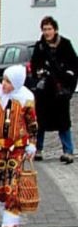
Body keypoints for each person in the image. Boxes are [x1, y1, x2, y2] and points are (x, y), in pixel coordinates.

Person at [0, 65, 38, 227]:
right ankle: (5, 205)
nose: (3, 84)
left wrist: (31, 143)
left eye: (8, 82)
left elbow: (32, 124)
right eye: (4, 80)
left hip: (17, 147)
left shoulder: (25, 99)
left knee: (12, 181)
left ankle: (11, 218)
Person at [31, 16, 78, 164]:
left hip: (60, 91)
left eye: (49, 29)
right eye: (44, 29)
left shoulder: (65, 44)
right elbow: (34, 65)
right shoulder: (39, 46)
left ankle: (68, 151)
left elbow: (74, 65)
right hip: (45, 91)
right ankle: (38, 149)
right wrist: (39, 75)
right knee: (40, 121)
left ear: (55, 29)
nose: (47, 32)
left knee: (63, 122)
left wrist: (68, 79)